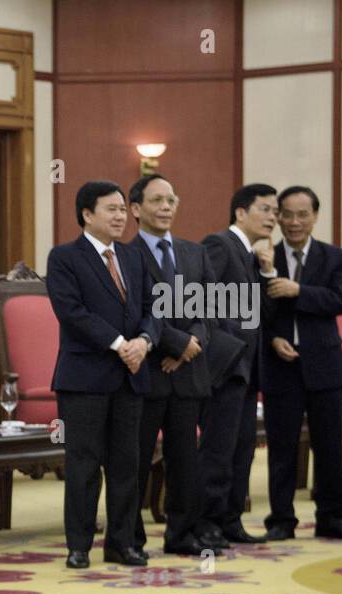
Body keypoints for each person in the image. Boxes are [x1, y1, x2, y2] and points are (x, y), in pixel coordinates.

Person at [46, 180, 160, 570]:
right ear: (87, 214)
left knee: (127, 464)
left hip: (131, 376)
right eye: (110, 209)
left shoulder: (133, 256)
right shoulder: (64, 257)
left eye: (122, 209)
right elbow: (72, 313)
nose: (119, 216)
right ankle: (78, 546)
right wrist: (119, 344)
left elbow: (151, 307)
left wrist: (144, 340)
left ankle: (122, 543)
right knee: (83, 464)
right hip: (84, 378)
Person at [261, 185, 342, 540]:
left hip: (324, 366)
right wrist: (272, 338)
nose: (293, 222)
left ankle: (332, 518)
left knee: (329, 447)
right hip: (281, 368)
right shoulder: (265, 257)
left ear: (315, 217)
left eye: (302, 214)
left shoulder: (334, 257)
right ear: (277, 218)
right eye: (286, 214)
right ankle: (281, 520)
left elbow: (338, 300)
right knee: (282, 447)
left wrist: (298, 291)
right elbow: (256, 312)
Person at [125, 174, 221, 557]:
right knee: (136, 461)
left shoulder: (194, 253)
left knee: (185, 461)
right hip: (146, 373)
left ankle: (182, 535)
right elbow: (134, 313)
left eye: (171, 200)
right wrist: (177, 343)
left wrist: (191, 344)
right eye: (157, 200)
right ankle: (130, 538)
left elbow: (212, 306)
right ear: (135, 209)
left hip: (188, 373)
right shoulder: (126, 256)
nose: (166, 207)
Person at [199, 184, 279, 546]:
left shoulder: (250, 255)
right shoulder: (219, 244)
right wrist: (227, 346)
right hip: (226, 367)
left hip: (249, 370)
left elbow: (263, 314)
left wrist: (266, 273)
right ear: (240, 213)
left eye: (274, 211)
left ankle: (231, 520)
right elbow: (201, 298)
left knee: (242, 447)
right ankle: (208, 522)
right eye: (265, 209)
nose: (273, 217)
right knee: (219, 448)